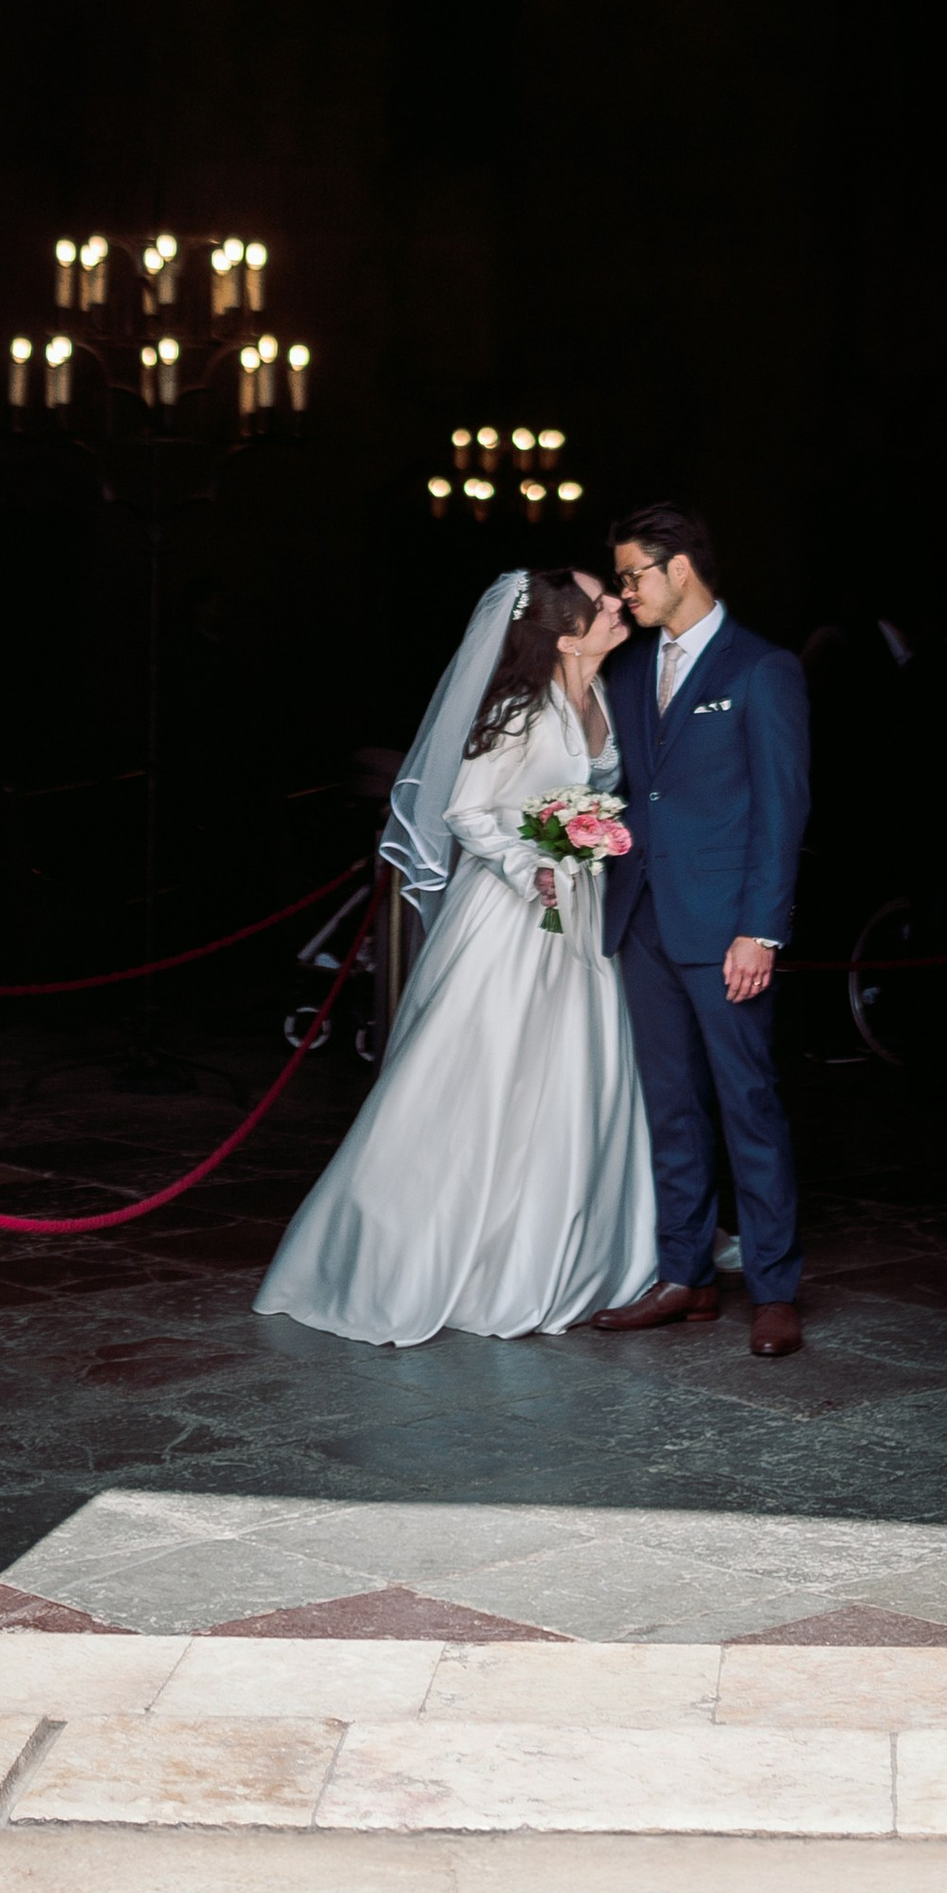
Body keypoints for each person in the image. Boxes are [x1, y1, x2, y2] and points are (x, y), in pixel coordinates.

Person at [254, 567, 657, 1345]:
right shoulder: (515, 712)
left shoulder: (605, 697)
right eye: (599, 602)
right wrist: (529, 863)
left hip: (581, 917)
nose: (617, 605)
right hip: (512, 920)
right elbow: (467, 811)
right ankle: (424, 1254)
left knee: (580, 1076)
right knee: (486, 1073)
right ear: (565, 635)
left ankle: (573, 1250)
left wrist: (588, 843)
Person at [592, 504, 812, 1358]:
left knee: (748, 1102)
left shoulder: (763, 668)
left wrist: (761, 930)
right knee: (671, 1107)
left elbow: (782, 809)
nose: (625, 591)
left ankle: (774, 1288)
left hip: (726, 928)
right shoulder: (629, 668)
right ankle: (684, 1275)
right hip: (642, 918)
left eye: (632, 575)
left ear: (679, 568)